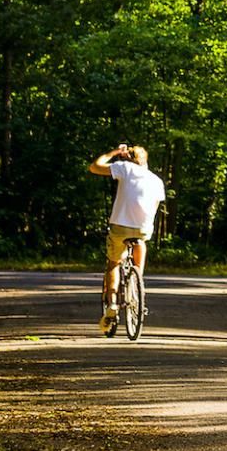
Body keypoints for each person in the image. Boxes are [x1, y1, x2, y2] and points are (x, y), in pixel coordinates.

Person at [88, 142, 165, 334]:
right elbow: (155, 208)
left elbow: (95, 167)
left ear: (128, 158)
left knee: (114, 263)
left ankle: (113, 303)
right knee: (141, 242)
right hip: (144, 228)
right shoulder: (157, 180)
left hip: (120, 226)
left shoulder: (124, 168)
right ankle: (137, 282)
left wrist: (113, 152)